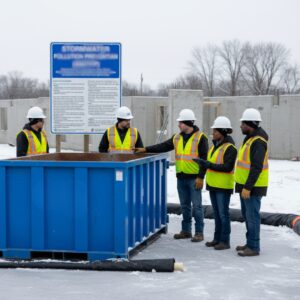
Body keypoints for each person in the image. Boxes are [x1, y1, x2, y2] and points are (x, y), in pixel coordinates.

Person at [135, 109, 208, 242]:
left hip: (194, 178)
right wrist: (146, 149)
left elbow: (204, 160)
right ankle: (186, 230)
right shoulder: (177, 137)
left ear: (188, 123)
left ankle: (199, 232)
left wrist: (200, 177)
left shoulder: (201, 138)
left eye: (180, 123)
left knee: (197, 206)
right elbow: (163, 146)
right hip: (181, 178)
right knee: (185, 206)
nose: (179, 125)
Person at [193, 116, 237, 250]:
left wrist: (208, 164)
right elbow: (211, 164)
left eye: (216, 131)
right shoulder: (214, 147)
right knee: (217, 214)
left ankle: (225, 241)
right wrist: (203, 165)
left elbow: (227, 167)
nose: (213, 133)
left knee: (223, 214)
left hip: (223, 187)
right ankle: (217, 239)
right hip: (213, 185)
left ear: (223, 132)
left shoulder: (230, 148)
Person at [235, 108, 269, 257]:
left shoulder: (258, 142)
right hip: (246, 186)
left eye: (243, 123)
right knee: (247, 215)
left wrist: (248, 187)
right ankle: (250, 242)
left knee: (252, 216)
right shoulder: (249, 139)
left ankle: (254, 246)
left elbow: (256, 166)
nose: (241, 126)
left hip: (253, 187)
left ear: (250, 124)